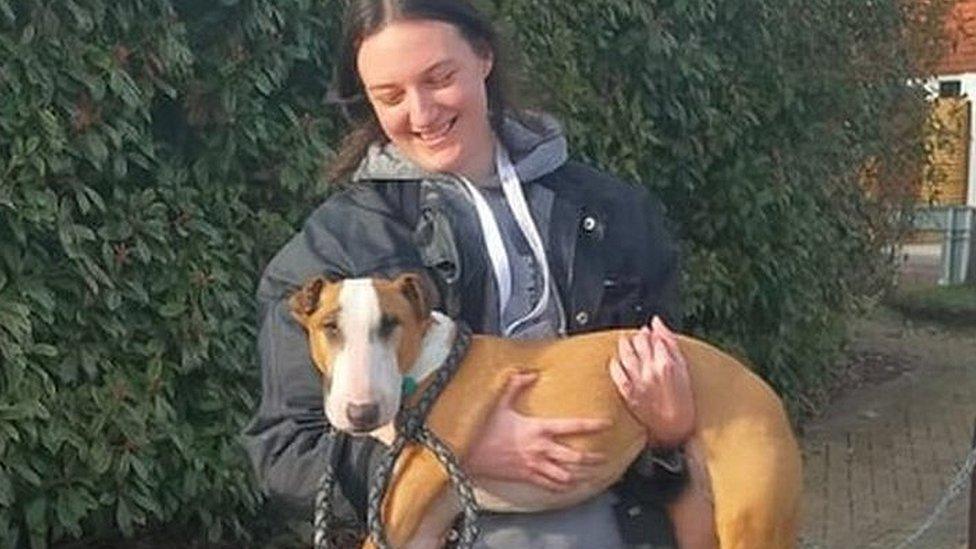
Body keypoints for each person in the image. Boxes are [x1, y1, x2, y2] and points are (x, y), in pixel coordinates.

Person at [243, 1, 709, 547]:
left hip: (613, 518)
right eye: (389, 96)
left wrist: (669, 431)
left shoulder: (613, 212)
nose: (421, 114)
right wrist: (457, 451)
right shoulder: (334, 249)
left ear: (483, 57)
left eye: (439, 78)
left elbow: (667, 381)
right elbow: (286, 455)